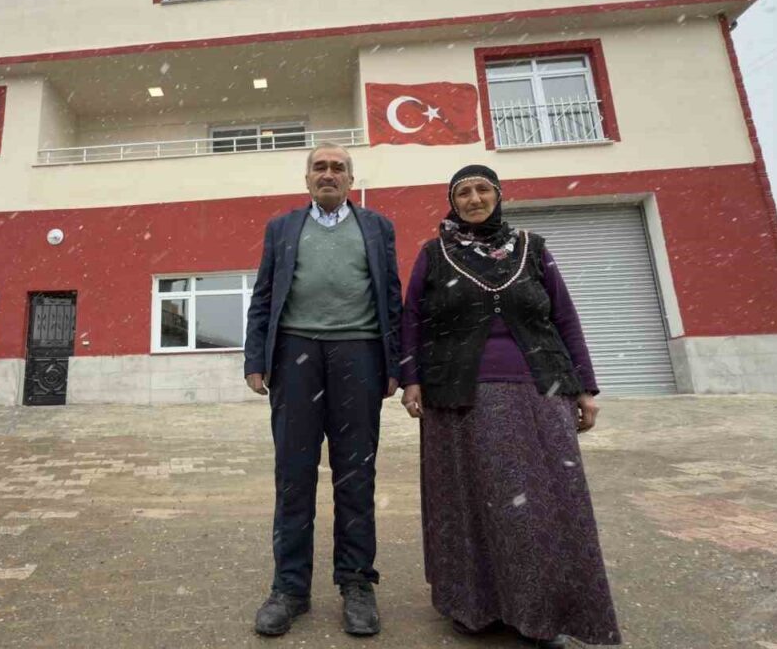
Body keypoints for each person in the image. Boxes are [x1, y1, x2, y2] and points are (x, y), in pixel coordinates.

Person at [399, 165, 621, 648]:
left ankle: (545, 612)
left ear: (498, 196)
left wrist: (584, 388)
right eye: (463, 192)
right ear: (452, 201)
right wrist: (410, 379)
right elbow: (411, 317)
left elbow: (564, 315)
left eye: (482, 190)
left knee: (542, 507)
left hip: (540, 390)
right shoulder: (434, 255)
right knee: (465, 503)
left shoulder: (532, 247)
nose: (474, 199)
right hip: (457, 394)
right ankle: (473, 606)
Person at [244, 142, 402, 637]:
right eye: (320, 167)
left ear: (350, 179)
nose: (328, 174)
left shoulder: (376, 227)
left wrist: (395, 363)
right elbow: (264, 295)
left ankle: (356, 582)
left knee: (356, 477)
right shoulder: (282, 227)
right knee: (294, 477)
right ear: (307, 178)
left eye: (338, 167)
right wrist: (255, 359)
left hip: (359, 355)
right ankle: (289, 588)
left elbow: (391, 296)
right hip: (295, 357)